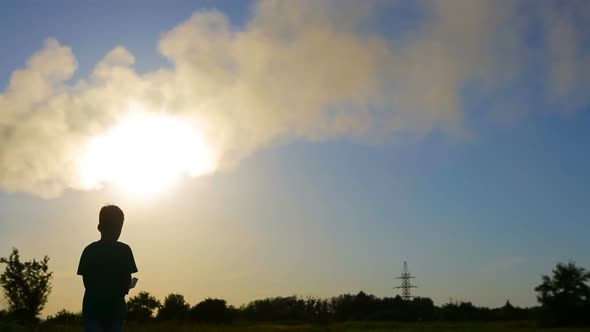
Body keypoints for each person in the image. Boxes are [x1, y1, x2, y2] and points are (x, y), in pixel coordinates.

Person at [77, 205, 138, 332]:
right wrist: (125, 287)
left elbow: (86, 282)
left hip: (92, 310)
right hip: (115, 311)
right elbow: (126, 281)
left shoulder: (89, 250)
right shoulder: (124, 250)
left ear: (99, 228)